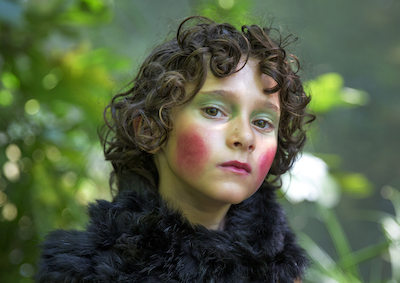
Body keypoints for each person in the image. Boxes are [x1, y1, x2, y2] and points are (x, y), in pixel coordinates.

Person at [35, 15, 314, 283]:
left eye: (263, 122)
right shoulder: (85, 274)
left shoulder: (282, 270)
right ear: (150, 129)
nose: (245, 136)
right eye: (214, 111)